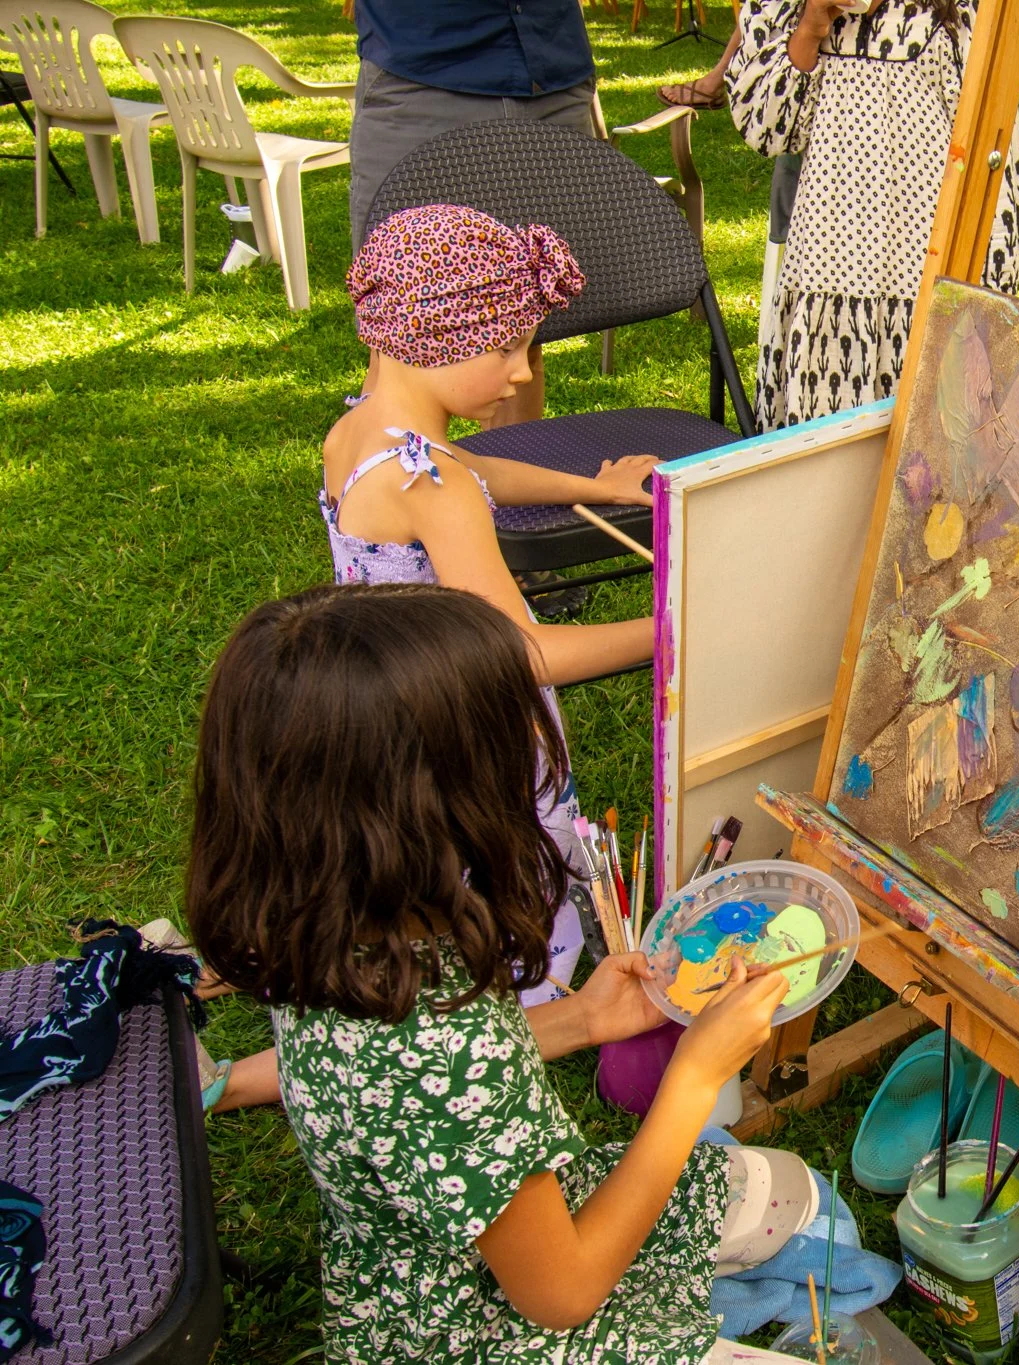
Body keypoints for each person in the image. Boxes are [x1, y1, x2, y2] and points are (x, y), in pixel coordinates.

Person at [184, 584, 823, 1363]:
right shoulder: (444, 1049)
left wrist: (583, 1019)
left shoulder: (322, 927)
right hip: (479, 1330)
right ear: (430, 803)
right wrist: (694, 1074)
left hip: (408, 1281)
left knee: (778, 1189)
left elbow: (408, 1082)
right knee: (765, 1212)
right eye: (504, 741)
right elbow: (563, 1293)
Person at [328, 203, 659, 1001]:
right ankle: (526, 984)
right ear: (434, 339)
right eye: (506, 347)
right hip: (470, 716)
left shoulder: (365, 432)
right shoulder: (432, 488)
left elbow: (474, 466)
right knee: (497, 844)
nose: (521, 373)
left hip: (398, 702)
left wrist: (593, 484)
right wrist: (674, 627)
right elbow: (523, 653)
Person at [728, 0, 1019, 428]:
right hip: (826, 268)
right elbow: (766, 127)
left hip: (926, 267)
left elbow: (995, 155)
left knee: (928, 460)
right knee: (825, 463)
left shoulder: (961, 8)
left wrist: (992, 290)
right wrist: (812, 24)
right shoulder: (787, 7)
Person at [348, 0, 600, 426]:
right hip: (421, 71)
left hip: (549, 72)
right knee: (399, 343)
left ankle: (512, 492)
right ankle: (391, 489)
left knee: (523, 334)